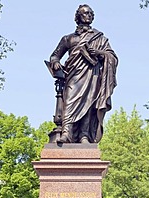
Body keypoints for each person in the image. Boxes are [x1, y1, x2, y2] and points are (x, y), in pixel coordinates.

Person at [49, 4, 118, 144]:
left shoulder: (100, 38)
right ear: (78, 16)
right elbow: (55, 56)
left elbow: (112, 57)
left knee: (88, 104)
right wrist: (55, 62)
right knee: (69, 102)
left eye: (90, 13)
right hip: (73, 76)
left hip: (92, 76)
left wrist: (99, 53)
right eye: (85, 13)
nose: (89, 15)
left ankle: (84, 136)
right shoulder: (68, 39)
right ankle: (66, 133)